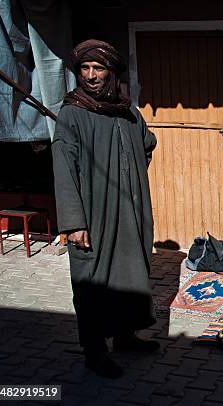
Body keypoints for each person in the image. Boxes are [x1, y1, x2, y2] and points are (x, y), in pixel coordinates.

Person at [52, 39, 159, 378]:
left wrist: (129, 177)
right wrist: (73, 222)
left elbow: (146, 143)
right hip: (92, 215)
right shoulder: (72, 113)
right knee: (92, 282)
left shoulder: (128, 112)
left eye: (98, 69)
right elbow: (64, 170)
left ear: (111, 73)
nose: (91, 76)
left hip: (129, 212)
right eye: (85, 69)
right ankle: (94, 351)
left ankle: (125, 337)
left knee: (130, 275)